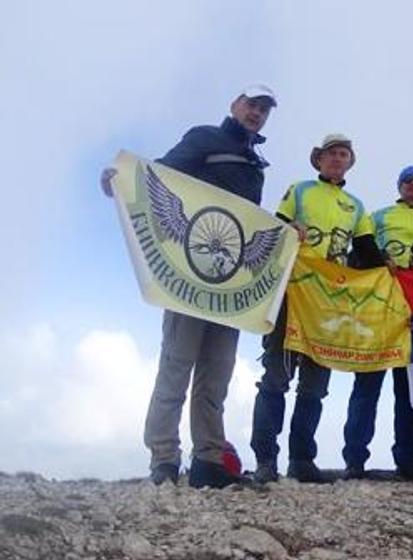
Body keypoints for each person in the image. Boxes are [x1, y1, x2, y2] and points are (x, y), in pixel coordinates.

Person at [100, 85, 278, 488]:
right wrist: (121, 179)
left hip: (230, 287)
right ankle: (164, 457)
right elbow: (160, 173)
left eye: (264, 109)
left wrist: (285, 232)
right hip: (190, 279)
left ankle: (208, 460)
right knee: (177, 364)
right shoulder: (205, 137)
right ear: (235, 105)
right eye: (252, 105)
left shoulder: (256, 162)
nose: (256, 113)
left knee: (217, 374)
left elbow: (246, 220)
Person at [251, 133, 383, 484]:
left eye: (344, 154)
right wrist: (288, 227)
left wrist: (397, 280)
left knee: (314, 385)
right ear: (319, 159)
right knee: (276, 377)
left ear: (350, 163)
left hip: (329, 303)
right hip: (292, 295)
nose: (338, 158)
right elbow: (274, 227)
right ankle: (265, 460)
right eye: (332, 153)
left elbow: (368, 252)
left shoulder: (356, 206)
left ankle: (301, 460)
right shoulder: (299, 190)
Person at [341, 165, 413, 482]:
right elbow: (357, 255)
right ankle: (355, 460)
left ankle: (411, 460)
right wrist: (379, 261)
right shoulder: (378, 216)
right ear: (399, 185)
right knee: (366, 388)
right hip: (380, 309)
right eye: (407, 181)